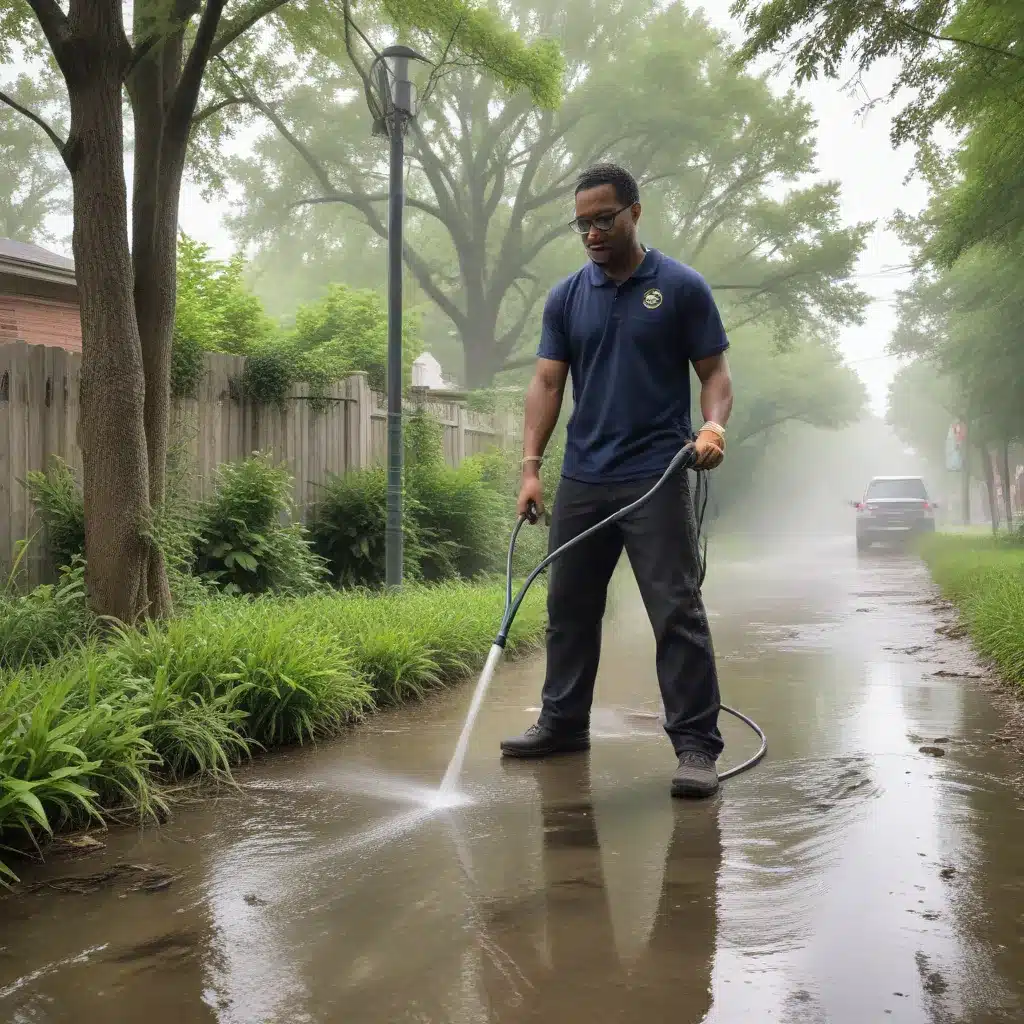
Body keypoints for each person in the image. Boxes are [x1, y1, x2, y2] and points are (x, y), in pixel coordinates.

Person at [499, 163, 734, 799]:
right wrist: (530, 468)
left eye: (604, 219)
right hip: (583, 475)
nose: (593, 233)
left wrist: (711, 428)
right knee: (568, 609)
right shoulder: (567, 297)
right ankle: (562, 724)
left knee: (675, 610)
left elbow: (714, 374)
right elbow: (547, 383)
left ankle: (695, 748)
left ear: (635, 212)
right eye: (582, 224)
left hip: (656, 476)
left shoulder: (682, 288)